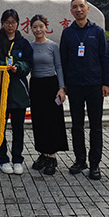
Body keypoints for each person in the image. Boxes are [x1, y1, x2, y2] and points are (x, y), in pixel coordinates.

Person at [60, 0, 109, 180]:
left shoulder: (97, 31)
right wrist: (64, 85)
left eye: (81, 6)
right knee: (77, 125)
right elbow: (63, 60)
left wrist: (106, 83)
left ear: (88, 9)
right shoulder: (67, 33)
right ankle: (80, 160)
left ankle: (95, 163)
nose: (78, 10)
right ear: (71, 11)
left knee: (96, 126)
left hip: (94, 85)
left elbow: (105, 57)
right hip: (74, 86)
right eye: (75, 7)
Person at [0, 9, 33, 175]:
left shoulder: (23, 43)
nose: (10, 26)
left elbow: (28, 64)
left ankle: (17, 159)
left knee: (18, 128)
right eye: (7, 22)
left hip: (18, 91)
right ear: (2, 23)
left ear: (17, 24)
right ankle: (3, 159)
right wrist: (1, 66)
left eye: (13, 22)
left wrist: (18, 67)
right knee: (0, 128)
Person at [29, 14, 68, 175]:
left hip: (51, 85)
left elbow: (59, 67)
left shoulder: (53, 46)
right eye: (35, 27)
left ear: (46, 27)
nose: (38, 29)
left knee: (52, 120)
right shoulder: (29, 46)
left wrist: (62, 88)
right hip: (36, 85)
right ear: (31, 29)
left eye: (41, 26)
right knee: (39, 120)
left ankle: (52, 156)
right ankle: (43, 153)